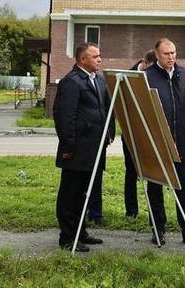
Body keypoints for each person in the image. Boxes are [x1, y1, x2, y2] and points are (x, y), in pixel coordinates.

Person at [144, 39, 185, 247]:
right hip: (157, 142)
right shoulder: (146, 77)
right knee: (155, 186)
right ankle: (158, 229)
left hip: (181, 142)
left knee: (184, 187)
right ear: (157, 54)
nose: (171, 57)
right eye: (166, 54)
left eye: (173, 53)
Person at [53, 42, 114, 252]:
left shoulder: (98, 80)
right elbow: (64, 117)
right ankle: (67, 237)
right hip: (76, 149)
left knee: (85, 193)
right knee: (72, 193)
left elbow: (106, 108)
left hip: (94, 148)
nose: (99, 59)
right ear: (82, 60)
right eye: (95, 56)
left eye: (99, 55)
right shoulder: (72, 82)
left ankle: (81, 231)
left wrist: (109, 133)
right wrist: (68, 146)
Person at [120, 49, 157, 219]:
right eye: (151, 66)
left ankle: (153, 212)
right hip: (130, 132)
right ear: (144, 62)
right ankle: (131, 211)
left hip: (149, 133)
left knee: (152, 172)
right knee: (131, 171)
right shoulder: (126, 76)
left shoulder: (154, 77)